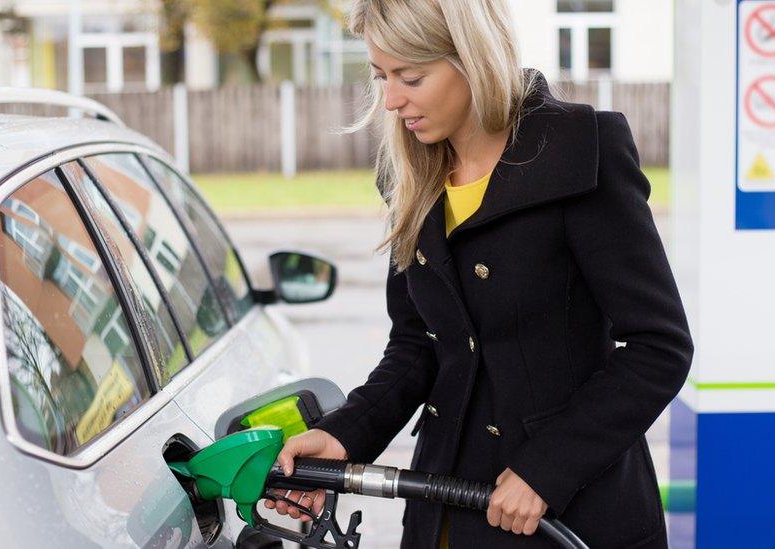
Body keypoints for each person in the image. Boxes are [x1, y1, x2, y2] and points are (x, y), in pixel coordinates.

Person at [263, 0, 694, 547]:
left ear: (471, 59)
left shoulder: (582, 152)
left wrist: (549, 466)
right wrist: (344, 435)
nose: (392, 101)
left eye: (411, 77)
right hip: (444, 506)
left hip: (570, 517)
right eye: (380, 76)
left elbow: (659, 346)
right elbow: (418, 343)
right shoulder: (409, 174)